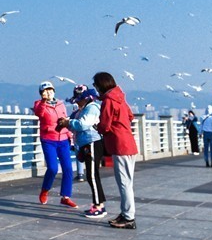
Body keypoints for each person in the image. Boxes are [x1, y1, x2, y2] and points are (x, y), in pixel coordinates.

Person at [95, 72, 138, 230]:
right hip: (128, 144)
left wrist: (98, 127)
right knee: (127, 182)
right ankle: (125, 213)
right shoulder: (120, 97)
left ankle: (128, 217)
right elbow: (130, 116)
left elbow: (104, 125)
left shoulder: (108, 100)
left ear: (101, 85)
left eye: (95, 85)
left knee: (124, 183)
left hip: (120, 145)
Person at [60, 85, 106, 218]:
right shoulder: (83, 109)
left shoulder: (92, 108)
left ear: (86, 98)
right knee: (92, 175)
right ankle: (99, 204)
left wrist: (69, 123)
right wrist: (68, 123)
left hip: (92, 142)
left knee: (92, 176)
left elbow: (83, 124)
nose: (77, 102)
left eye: (79, 100)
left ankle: (98, 206)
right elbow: (76, 124)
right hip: (86, 143)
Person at [33, 81, 75, 208]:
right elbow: (39, 113)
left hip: (63, 139)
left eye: (50, 90)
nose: (49, 92)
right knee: (52, 168)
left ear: (54, 91)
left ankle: (66, 197)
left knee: (68, 168)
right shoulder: (39, 104)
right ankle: (45, 190)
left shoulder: (61, 104)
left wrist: (70, 136)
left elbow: (65, 119)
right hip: (48, 139)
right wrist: (43, 101)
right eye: (45, 91)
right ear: (41, 93)